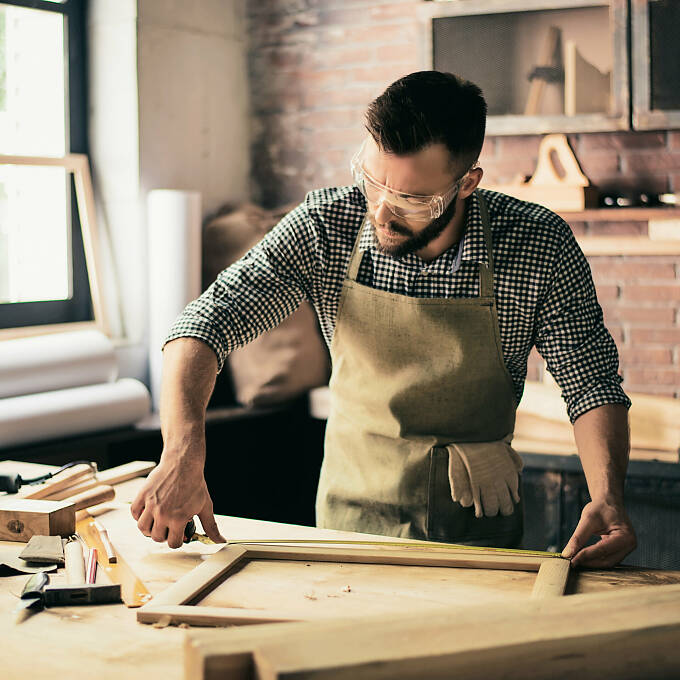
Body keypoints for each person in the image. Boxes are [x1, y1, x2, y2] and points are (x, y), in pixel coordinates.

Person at [131, 71, 636, 567]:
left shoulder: (536, 244)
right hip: (348, 518)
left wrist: (608, 496)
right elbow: (205, 323)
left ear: (467, 184)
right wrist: (181, 453)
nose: (381, 212)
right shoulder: (327, 225)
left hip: (477, 532)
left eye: (413, 199)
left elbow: (589, 380)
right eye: (372, 182)